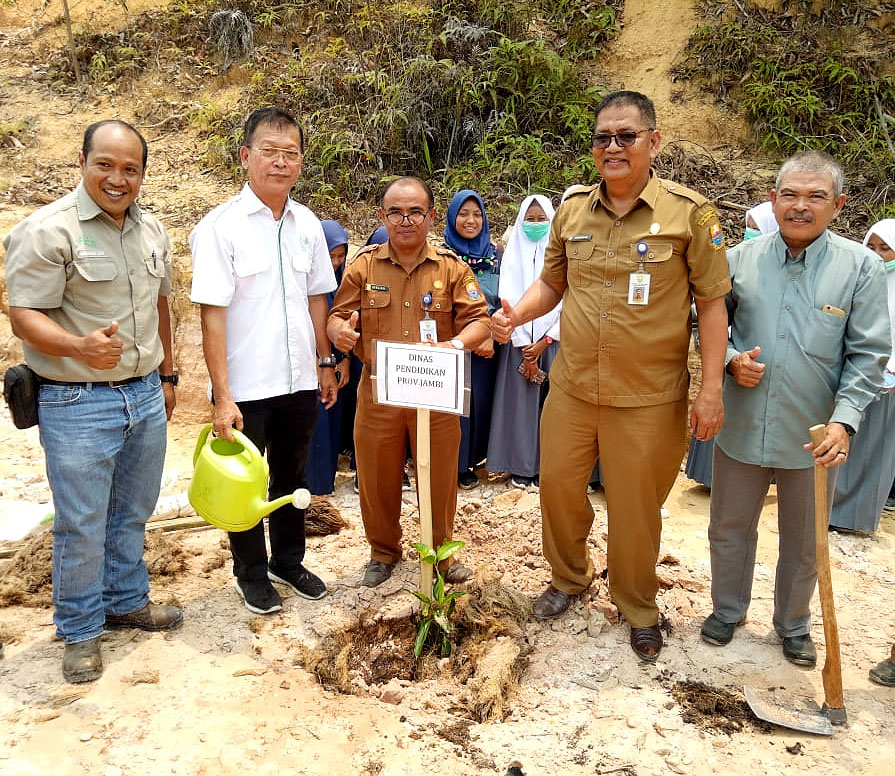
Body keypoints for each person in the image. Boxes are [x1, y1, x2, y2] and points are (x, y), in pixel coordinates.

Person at [491, 90, 731, 661]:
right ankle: (570, 578)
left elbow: (714, 303)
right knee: (558, 490)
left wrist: (712, 388)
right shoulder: (572, 210)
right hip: (572, 385)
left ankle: (637, 604)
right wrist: (515, 313)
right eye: (603, 138)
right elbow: (552, 284)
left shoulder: (689, 214)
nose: (614, 147)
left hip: (647, 396)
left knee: (633, 507)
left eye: (627, 136)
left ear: (654, 141)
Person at [4, 119, 183, 683]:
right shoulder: (47, 231)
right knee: (81, 522)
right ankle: (80, 631)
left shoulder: (152, 230)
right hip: (75, 400)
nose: (117, 178)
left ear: (142, 175)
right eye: (105, 164)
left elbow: (161, 308)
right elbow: (23, 314)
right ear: (82, 163)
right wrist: (78, 346)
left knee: (134, 510)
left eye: (130, 169)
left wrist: (169, 373)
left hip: (145, 395)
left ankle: (126, 600)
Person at [701, 151, 890, 667]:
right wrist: (732, 360)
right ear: (772, 199)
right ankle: (728, 609)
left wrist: (845, 420)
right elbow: (711, 327)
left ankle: (793, 624)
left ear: (839, 205)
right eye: (790, 195)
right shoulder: (739, 259)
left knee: (804, 540)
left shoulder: (862, 268)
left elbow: (870, 354)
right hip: (743, 424)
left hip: (814, 434)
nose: (800, 206)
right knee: (729, 526)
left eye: (815, 197)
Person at [190, 107, 337, 615]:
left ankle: (288, 562)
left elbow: (318, 297)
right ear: (246, 156)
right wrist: (222, 394)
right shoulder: (219, 228)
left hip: (300, 379)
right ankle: (250, 572)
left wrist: (325, 360)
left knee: (292, 477)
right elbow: (212, 316)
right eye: (269, 151)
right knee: (246, 484)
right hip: (246, 386)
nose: (281, 162)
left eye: (290, 153)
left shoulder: (308, 223)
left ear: (300, 162)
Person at [327, 176, 491, 587]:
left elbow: (480, 320)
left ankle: (440, 553)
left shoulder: (452, 268)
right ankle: (383, 551)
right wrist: (340, 334)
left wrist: (454, 344)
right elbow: (336, 316)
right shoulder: (363, 267)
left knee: (437, 477)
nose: (405, 220)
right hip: (378, 392)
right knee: (377, 477)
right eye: (396, 212)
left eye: (415, 212)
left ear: (431, 217)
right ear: (382, 216)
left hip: (435, 394)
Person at [685, 201, 780, 488]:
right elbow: (702, 315)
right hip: (737, 373)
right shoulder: (738, 261)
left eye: (756, 228)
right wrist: (730, 357)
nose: (750, 233)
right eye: (747, 227)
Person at [487, 195, 560, 489]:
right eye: (529, 220)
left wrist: (546, 339)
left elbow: (565, 300)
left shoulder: (560, 255)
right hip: (517, 346)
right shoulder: (512, 255)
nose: (535, 225)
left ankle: (548, 467)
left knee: (552, 409)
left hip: (554, 343)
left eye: (541, 219)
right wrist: (521, 342)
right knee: (518, 408)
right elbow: (508, 299)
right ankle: (519, 465)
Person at [828, 220, 895, 533]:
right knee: (845, 442)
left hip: (889, 380)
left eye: (886, 249)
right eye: (872, 246)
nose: (878, 255)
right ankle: (831, 510)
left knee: (873, 453)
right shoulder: (858, 278)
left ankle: (856, 518)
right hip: (854, 373)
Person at [441, 189, 502, 489]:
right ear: (452, 218)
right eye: (463, 214)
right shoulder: (442, 256)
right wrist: (471, 335)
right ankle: (455, 464)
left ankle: (476, 459)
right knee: (456, 406)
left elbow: (508, 297)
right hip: (453, 342)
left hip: (490, 347)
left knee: (481, 402)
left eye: (477, 214)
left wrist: (490, 332)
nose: (471, 220)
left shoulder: (495, 256)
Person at [305, 220, 353, 496]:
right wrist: (317, 359)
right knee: (315, 424)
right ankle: (313, 485)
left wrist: (344, 359)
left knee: (332, 422)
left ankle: (327, 482)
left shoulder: (345, 281)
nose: (335, 262)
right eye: (330, 255)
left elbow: (348, 319)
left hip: (334, 362)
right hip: (311, 362)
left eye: (340, 256)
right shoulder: (306, 282)